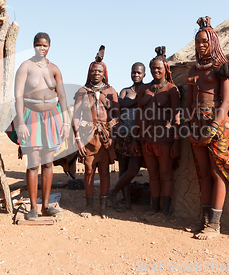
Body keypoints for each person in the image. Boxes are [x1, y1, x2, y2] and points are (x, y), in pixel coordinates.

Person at [186, 16, 229, 240]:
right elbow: (190, 102)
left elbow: (226, 102)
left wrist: (213, 128)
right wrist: (189, 127)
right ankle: (206, 219)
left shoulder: (222, 68)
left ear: (213, 43)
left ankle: (215, 225)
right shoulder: (192, 70)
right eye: (197, 41)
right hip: (197, 122)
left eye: (204, 41)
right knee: (202, 173)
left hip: (217, 124)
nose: (200, 45)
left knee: (217, 172)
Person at [14, 32, 70, 220]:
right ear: (34, 46)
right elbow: (18, 96)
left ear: (49, 47)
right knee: (33, 164)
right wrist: (20, 123)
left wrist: (66, 121)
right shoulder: (26, 67)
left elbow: (62, 96)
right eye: (38, 45)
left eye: (45, 45)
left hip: (52, 117)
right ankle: (32, 207)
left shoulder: (54, 69)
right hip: (32, 117)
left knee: (47, 163)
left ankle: (45, 206)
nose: (42, 48)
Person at [135, 47, 181, 222]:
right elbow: (139, 113)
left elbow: (177, 115)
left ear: (165, 69)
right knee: (152, 174)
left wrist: (176, 141)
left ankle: (165, 211)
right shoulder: (144, 90)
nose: (156, 71)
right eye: (153, 68)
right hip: (147, 137)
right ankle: (154, 208)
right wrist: (137, 136)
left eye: (159, 68)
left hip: (165, 137)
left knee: (165, 173)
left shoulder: (172, 90)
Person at [73, 46, 119, 219]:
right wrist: (78, 141)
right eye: (93, 70)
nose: (96, 73)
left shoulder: (111, 92)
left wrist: (112, 137)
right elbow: (75, 117)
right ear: (89, 72)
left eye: (99, 70)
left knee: (105, 171)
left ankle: (103, 207)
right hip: (88, 138)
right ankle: (88, 206)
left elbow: (117, 116)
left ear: (104, 72)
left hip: (105, 138)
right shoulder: (82, 92)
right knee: (88, 170)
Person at [109, 62, 146, 212]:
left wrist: (129, 103)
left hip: (137, 135)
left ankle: (113, 192)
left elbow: (126, 104)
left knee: (133, 169)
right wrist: (137, 101)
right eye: (134, 72)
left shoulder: (146, 89)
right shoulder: (125, 90)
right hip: (122, 133)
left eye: (139, 73)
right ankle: (126, 203)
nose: (136, 75)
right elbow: (120, 104)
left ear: (144, 74)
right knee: (123, 168)